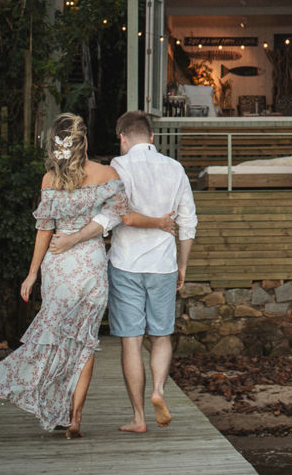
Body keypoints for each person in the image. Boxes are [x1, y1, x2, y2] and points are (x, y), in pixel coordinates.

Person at [0, 113, 165, 438]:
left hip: (59, 266)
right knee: (84, 345)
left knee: (58, 340)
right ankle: (74, 418)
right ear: (84, 141)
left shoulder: (49, 180)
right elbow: (121, 214)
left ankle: (54, 405)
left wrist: (31, 274)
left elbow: (44, 230)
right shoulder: (106, 173)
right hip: (90, 268)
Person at [49, 110, 197, 435]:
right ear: (152, 138)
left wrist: (72, 238)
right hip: (163, 265)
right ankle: (159, 389)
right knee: (161, 336)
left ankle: (139, 417)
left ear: (123, 138)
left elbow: (110, 218)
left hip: (126, 263)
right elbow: (188, 223)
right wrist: (182, 264)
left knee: (131, 341)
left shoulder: (117, 168)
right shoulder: (175, 169)